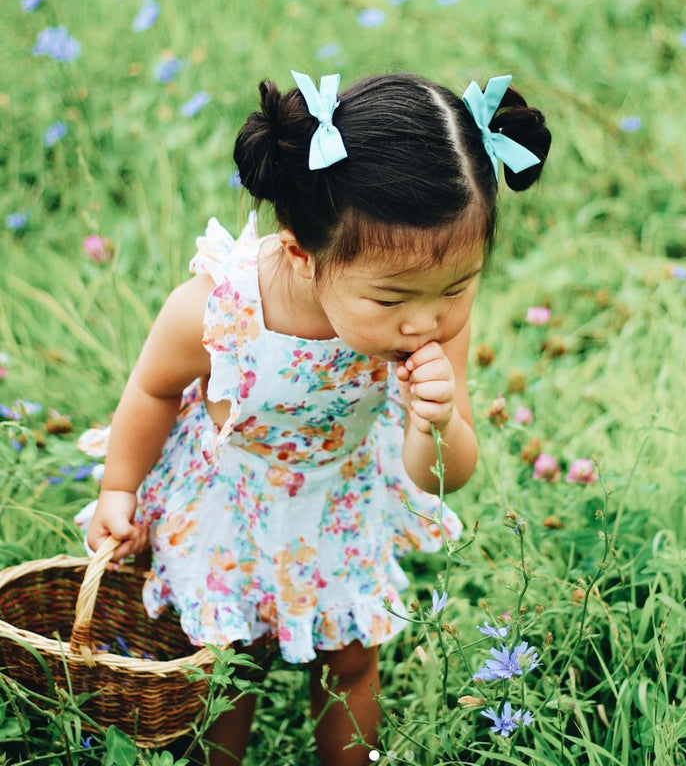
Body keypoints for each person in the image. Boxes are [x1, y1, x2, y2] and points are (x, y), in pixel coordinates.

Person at [83, 68, 550, 765]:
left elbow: (441, 477)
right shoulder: (220, 308)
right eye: (390, 300)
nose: (425, 320)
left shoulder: (429, 315)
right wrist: (119, 488)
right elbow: (152, 391)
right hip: (232, 500)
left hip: (339, 501)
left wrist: (433, 420)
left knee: (352, 662)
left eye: (457, 287)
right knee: (230, 669)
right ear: (303, 254)